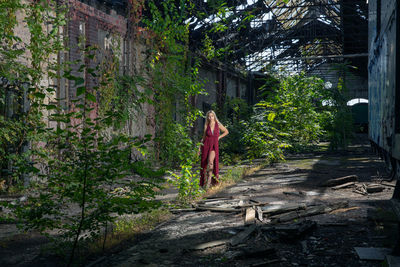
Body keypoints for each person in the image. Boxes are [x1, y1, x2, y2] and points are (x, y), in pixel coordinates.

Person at [198, 110, 229, 188]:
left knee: (211, 162)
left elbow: (226, 131)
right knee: (204, 164)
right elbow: (203, 138)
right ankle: (204, 182)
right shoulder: (206, 125)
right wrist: (199, 148)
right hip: (206, 145)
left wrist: (219, 137)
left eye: (211, 116)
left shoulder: (218, 124)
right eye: (209, 116)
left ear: (214, 116)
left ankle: (209, 181)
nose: (210, 117)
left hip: (214, 146)